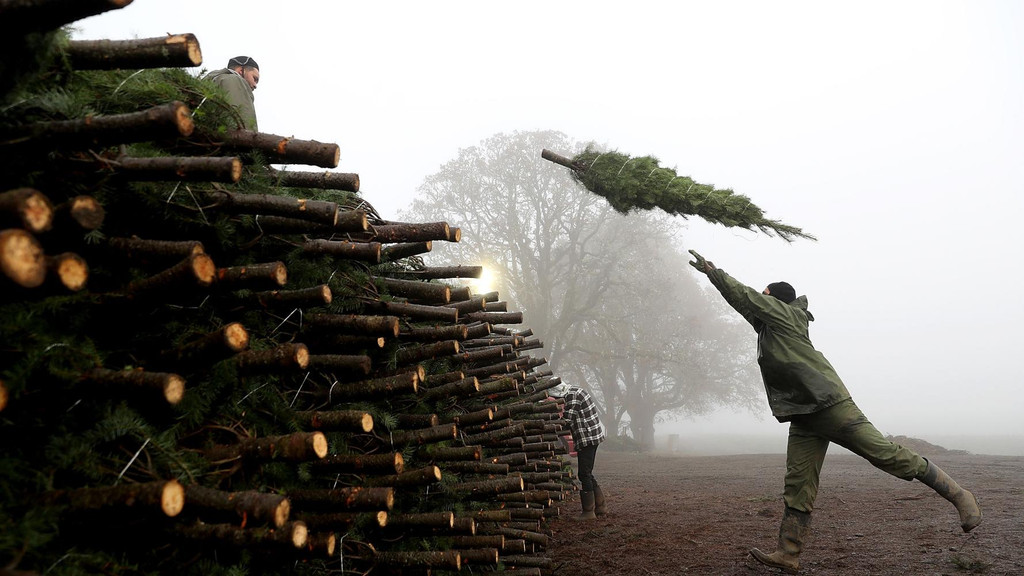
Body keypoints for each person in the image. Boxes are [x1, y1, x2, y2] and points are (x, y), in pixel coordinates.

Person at [687, 249, 981, 574]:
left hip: (830, 405)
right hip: (803, 415)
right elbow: (745, 304)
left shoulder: (789, 317)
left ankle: (959, 495)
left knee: (886, 455)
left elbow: (748, 298)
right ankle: (788, 553)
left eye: (765, 295)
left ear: (777, 302)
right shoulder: (770, 327)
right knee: (798, 483)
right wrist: (714, 277)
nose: (760, 299)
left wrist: (715, 273)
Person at [554, 383, 607, 519]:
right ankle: (600, 506)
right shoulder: (575, 391)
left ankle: (588, 512)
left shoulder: (573, 396)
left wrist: (550, 425)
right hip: (590, 436)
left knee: (584, 474)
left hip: (587, 438)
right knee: (587, 473)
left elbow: (567, 420)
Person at [205, 56, 260, 130]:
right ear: (241, 70)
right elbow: (241, 126)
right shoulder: (234, 80)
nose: (255, 85)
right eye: (254, 78)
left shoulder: (212, 82)